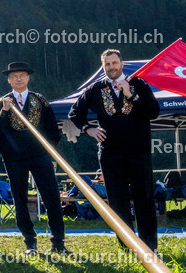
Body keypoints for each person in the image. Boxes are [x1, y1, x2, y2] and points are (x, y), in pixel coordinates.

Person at [68, 49, 160, 252]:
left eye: (114, 63)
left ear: (122, 63)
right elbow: (75, 112)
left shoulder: (139, 84)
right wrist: (88, 129)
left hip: (139, 152)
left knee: (143, 198)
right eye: (107, 64)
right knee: (118, 201)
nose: (111, 67)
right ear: (103, 66)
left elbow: (153, 111)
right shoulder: (96, 88)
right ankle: (127, 246)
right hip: (110, 153)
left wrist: (131, 95)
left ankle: (149, 247)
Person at [0, 61, 67, 254]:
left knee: (51, 196)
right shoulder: (2, 102)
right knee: (20, 198)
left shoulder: (40, 100)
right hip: (14, 159)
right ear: (9, 80)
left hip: (40, 156)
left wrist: (48, 149)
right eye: (14, 76)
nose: (18, 79)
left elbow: (52, 129)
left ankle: (58, 241)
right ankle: (30, 242)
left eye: (22, 75)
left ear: (28, 78)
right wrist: (4, 112)